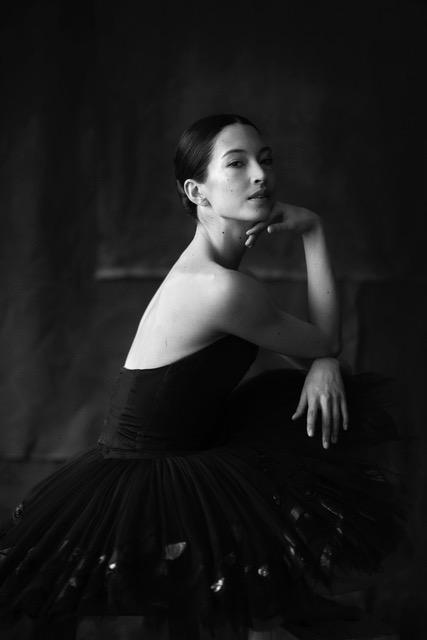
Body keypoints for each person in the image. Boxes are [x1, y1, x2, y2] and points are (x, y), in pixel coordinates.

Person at [0, 114, 405, 640]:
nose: (260, 174)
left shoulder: (218, 279)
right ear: (197, 192)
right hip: (151, 478)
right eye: (237, 163)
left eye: (265, 160)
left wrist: (323, 361)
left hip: (184, 458)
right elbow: (325, 342)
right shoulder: (219, 288)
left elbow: (319, 355)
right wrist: (312, 231)